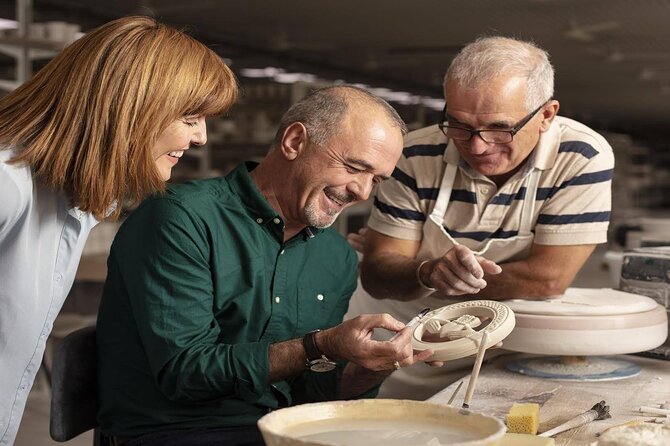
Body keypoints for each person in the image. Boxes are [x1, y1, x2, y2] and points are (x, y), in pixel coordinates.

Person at [95, 86, 434, 446]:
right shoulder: (179, 220)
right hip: (173, 431)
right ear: (294, 142)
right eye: (355, 167)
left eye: (376, 180)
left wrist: (371, 364)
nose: (363, 192)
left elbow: (313, 393)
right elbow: (185, 374)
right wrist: (321, 345)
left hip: (282, 430)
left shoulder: (337, 256)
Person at [0, 16, 237, 445]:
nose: (201, 136)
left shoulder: (73, 199)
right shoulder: (6, 186)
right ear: (131, 107)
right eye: (191, 116)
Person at [345, 36, 615, 400]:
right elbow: (378, 274)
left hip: (504, 340)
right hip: (405, 337)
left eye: (500, 128)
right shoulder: (415, 155)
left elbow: (548, 279)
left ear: (546, 115)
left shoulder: (582, 157)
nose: (477, 146)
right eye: (459, 126)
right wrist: (427, 272)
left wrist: (427, 274)